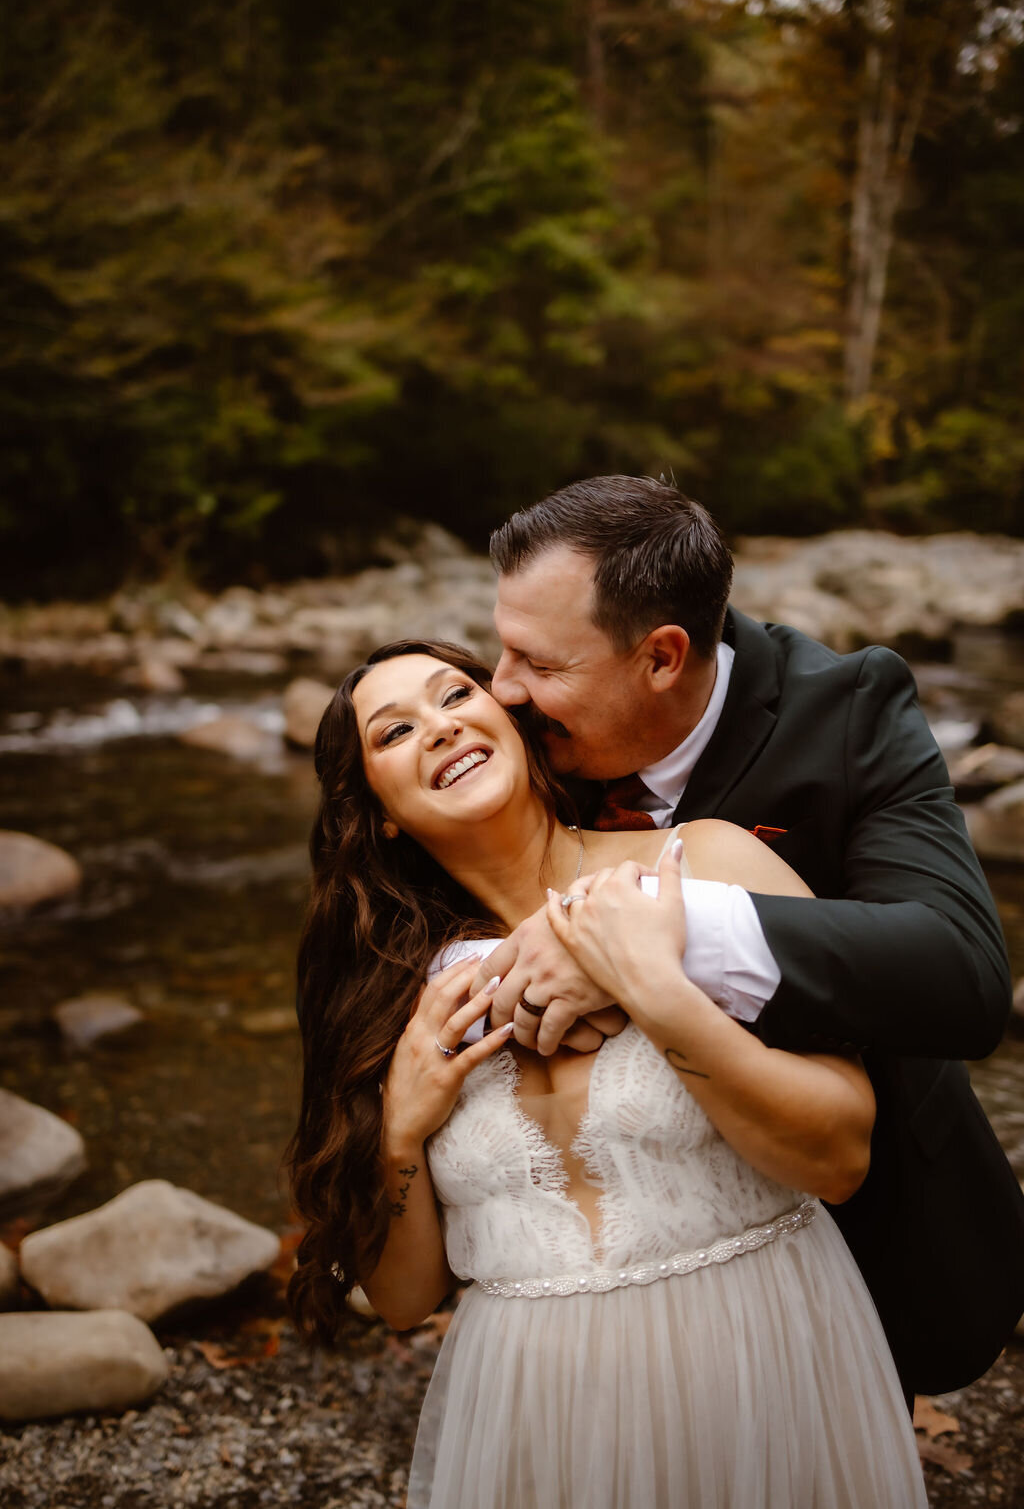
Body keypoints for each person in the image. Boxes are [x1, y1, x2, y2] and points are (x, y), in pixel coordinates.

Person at [287, 638, 928, 1508]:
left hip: (764, 1356)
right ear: (378, 810)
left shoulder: (704, 867)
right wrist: (400, 1126)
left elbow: (841, 1154)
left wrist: (652, 987)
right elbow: (403, 1299)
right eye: (395, 731)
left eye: (456, 695)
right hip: (532, 1411)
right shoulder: (393, 997)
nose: (439, 727)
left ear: (513, 722)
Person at [474, 474, 1024, 1399]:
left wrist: (654, 933)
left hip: (875, 1217)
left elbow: (963, 973)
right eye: (503, 648)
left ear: (662, 656)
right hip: (629, 1256)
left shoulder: (849, 712)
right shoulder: (523, 734)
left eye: (539, 662)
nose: (502, 687)